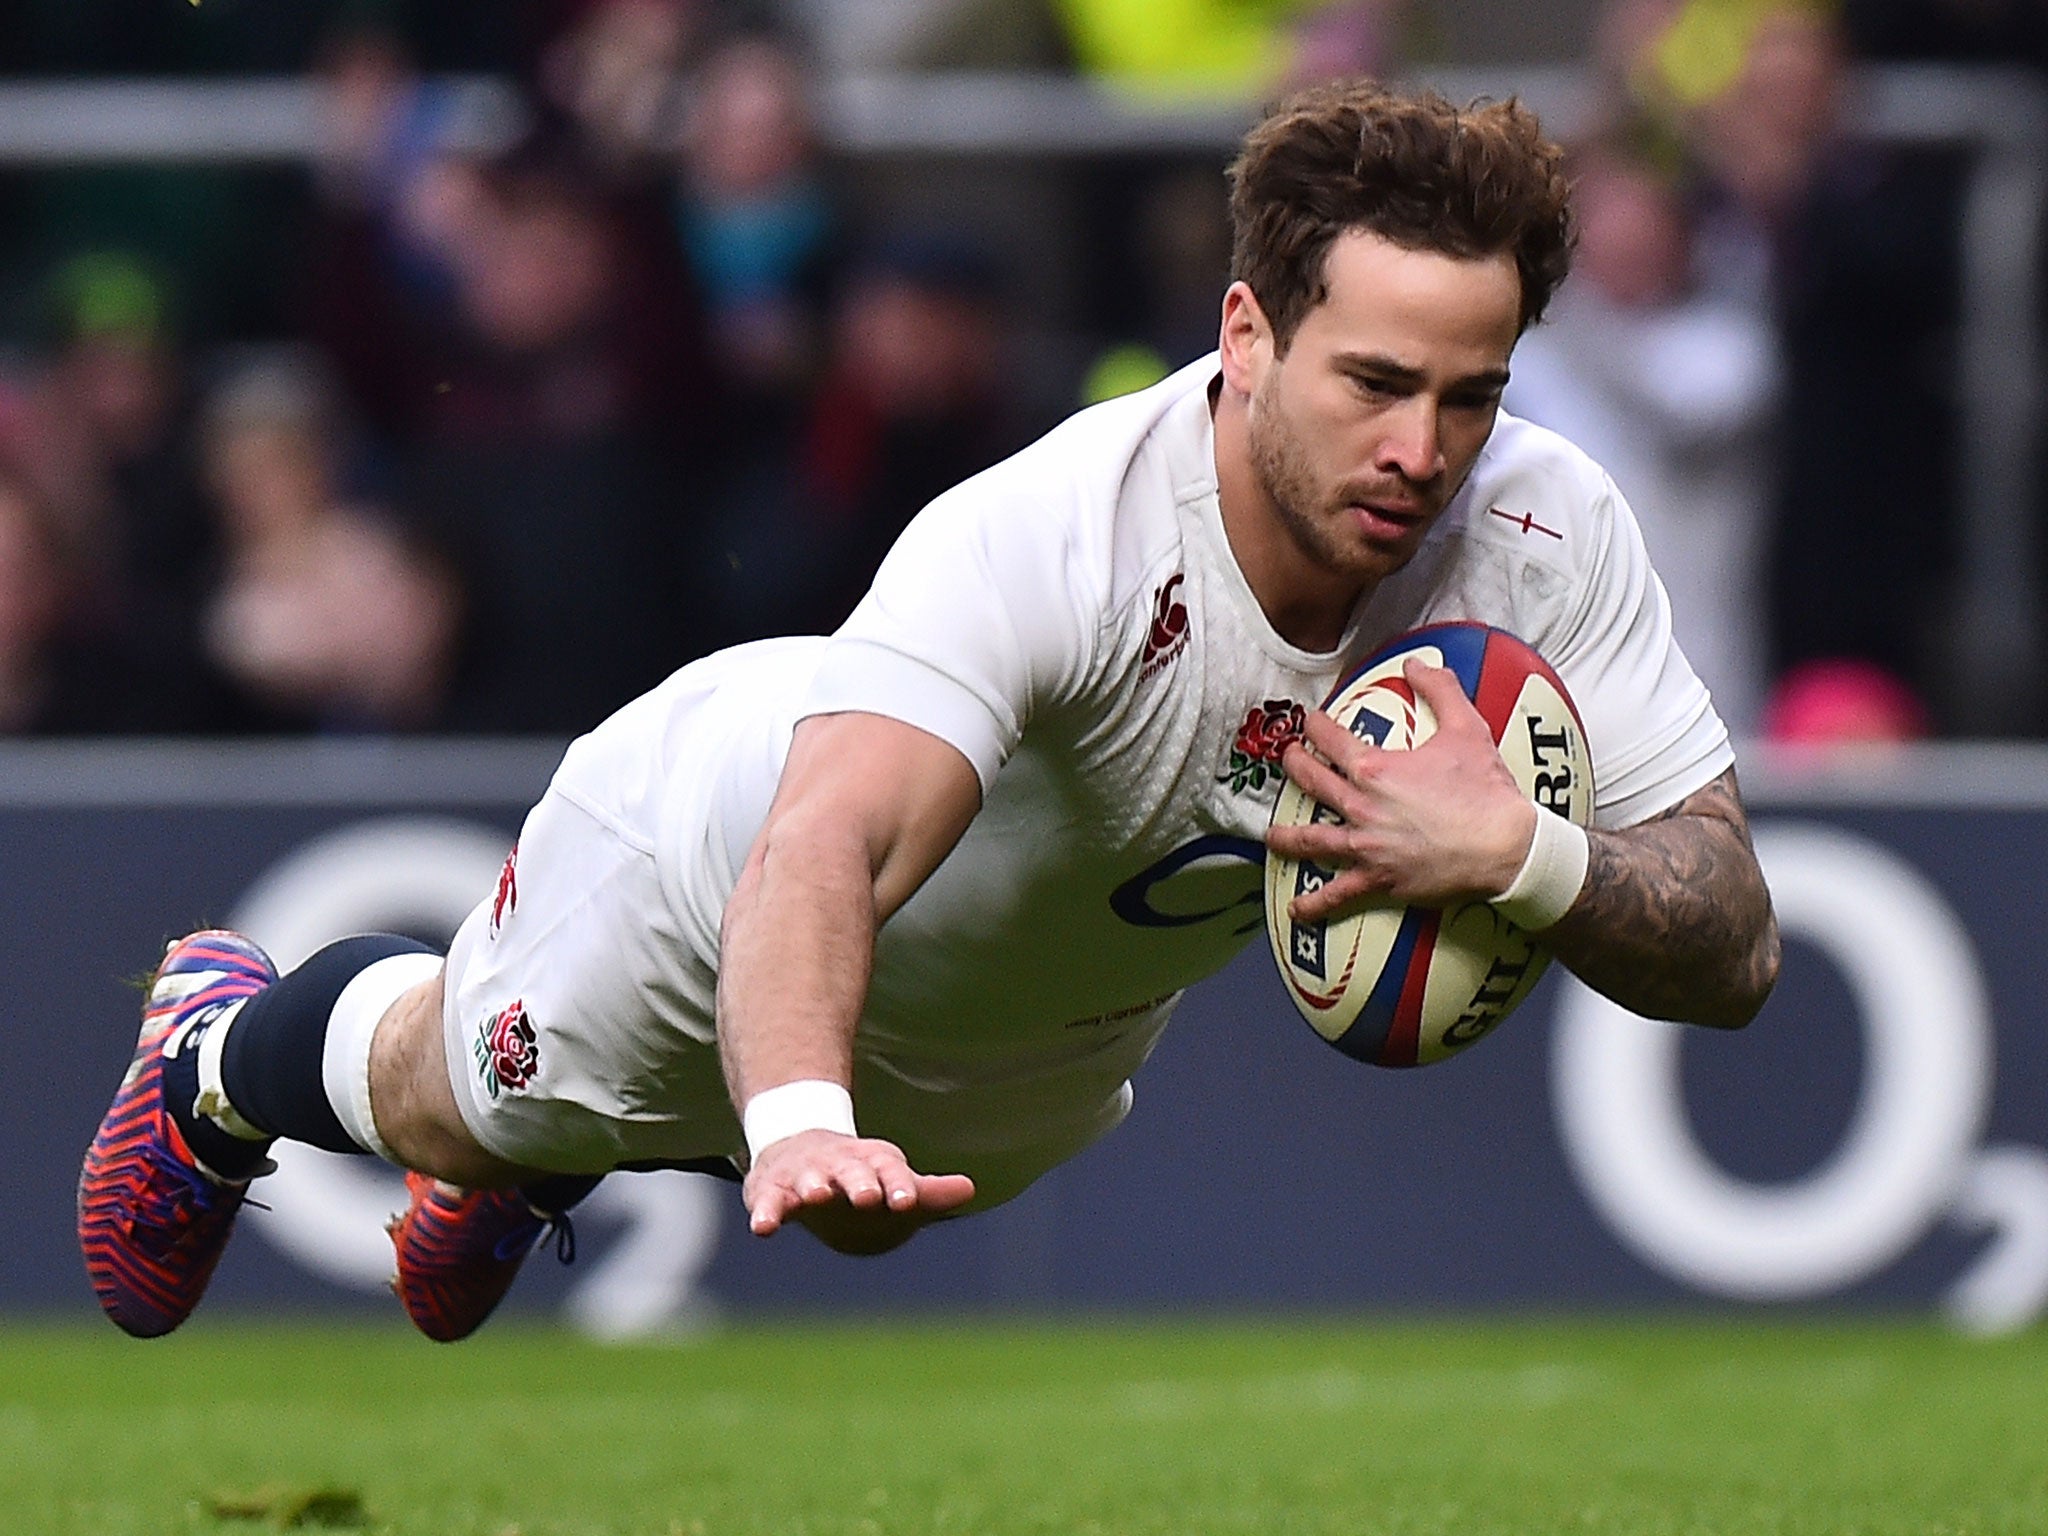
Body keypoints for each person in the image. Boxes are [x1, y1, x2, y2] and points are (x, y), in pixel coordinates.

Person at [79, 78, 1781, 1342]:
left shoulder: (1547, 534)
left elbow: (1736, 947)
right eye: (1376, 384)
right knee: (470, 1089)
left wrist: (1532, 858)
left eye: (1470, 396)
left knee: (867, 1230)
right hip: (713, 863)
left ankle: (555, 1161)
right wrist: (803, 1117)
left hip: (1043, 1044)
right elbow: (822, 850)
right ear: (1247, 335)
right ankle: (225, 1055)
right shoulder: (1058, 536)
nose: (1425, 449)